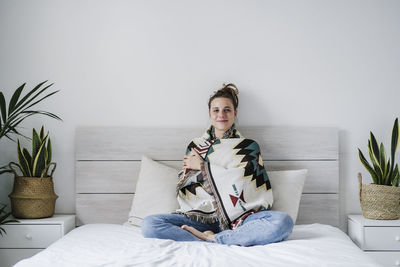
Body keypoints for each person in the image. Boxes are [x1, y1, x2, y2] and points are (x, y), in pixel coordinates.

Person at [141, 83, 293, 246]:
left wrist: (202, 167)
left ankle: (213, 239)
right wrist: (213, 173)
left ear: (235, 113)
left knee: (283, 222)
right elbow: (188, 185)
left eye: (227, 109)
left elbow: (245, 184)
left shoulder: (248, 146)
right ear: (210, 114)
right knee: (150, 224)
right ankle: (213, 237)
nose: (221, 114)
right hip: (200, 218)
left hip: (241, 218)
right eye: (216, 110)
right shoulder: (195, 146)